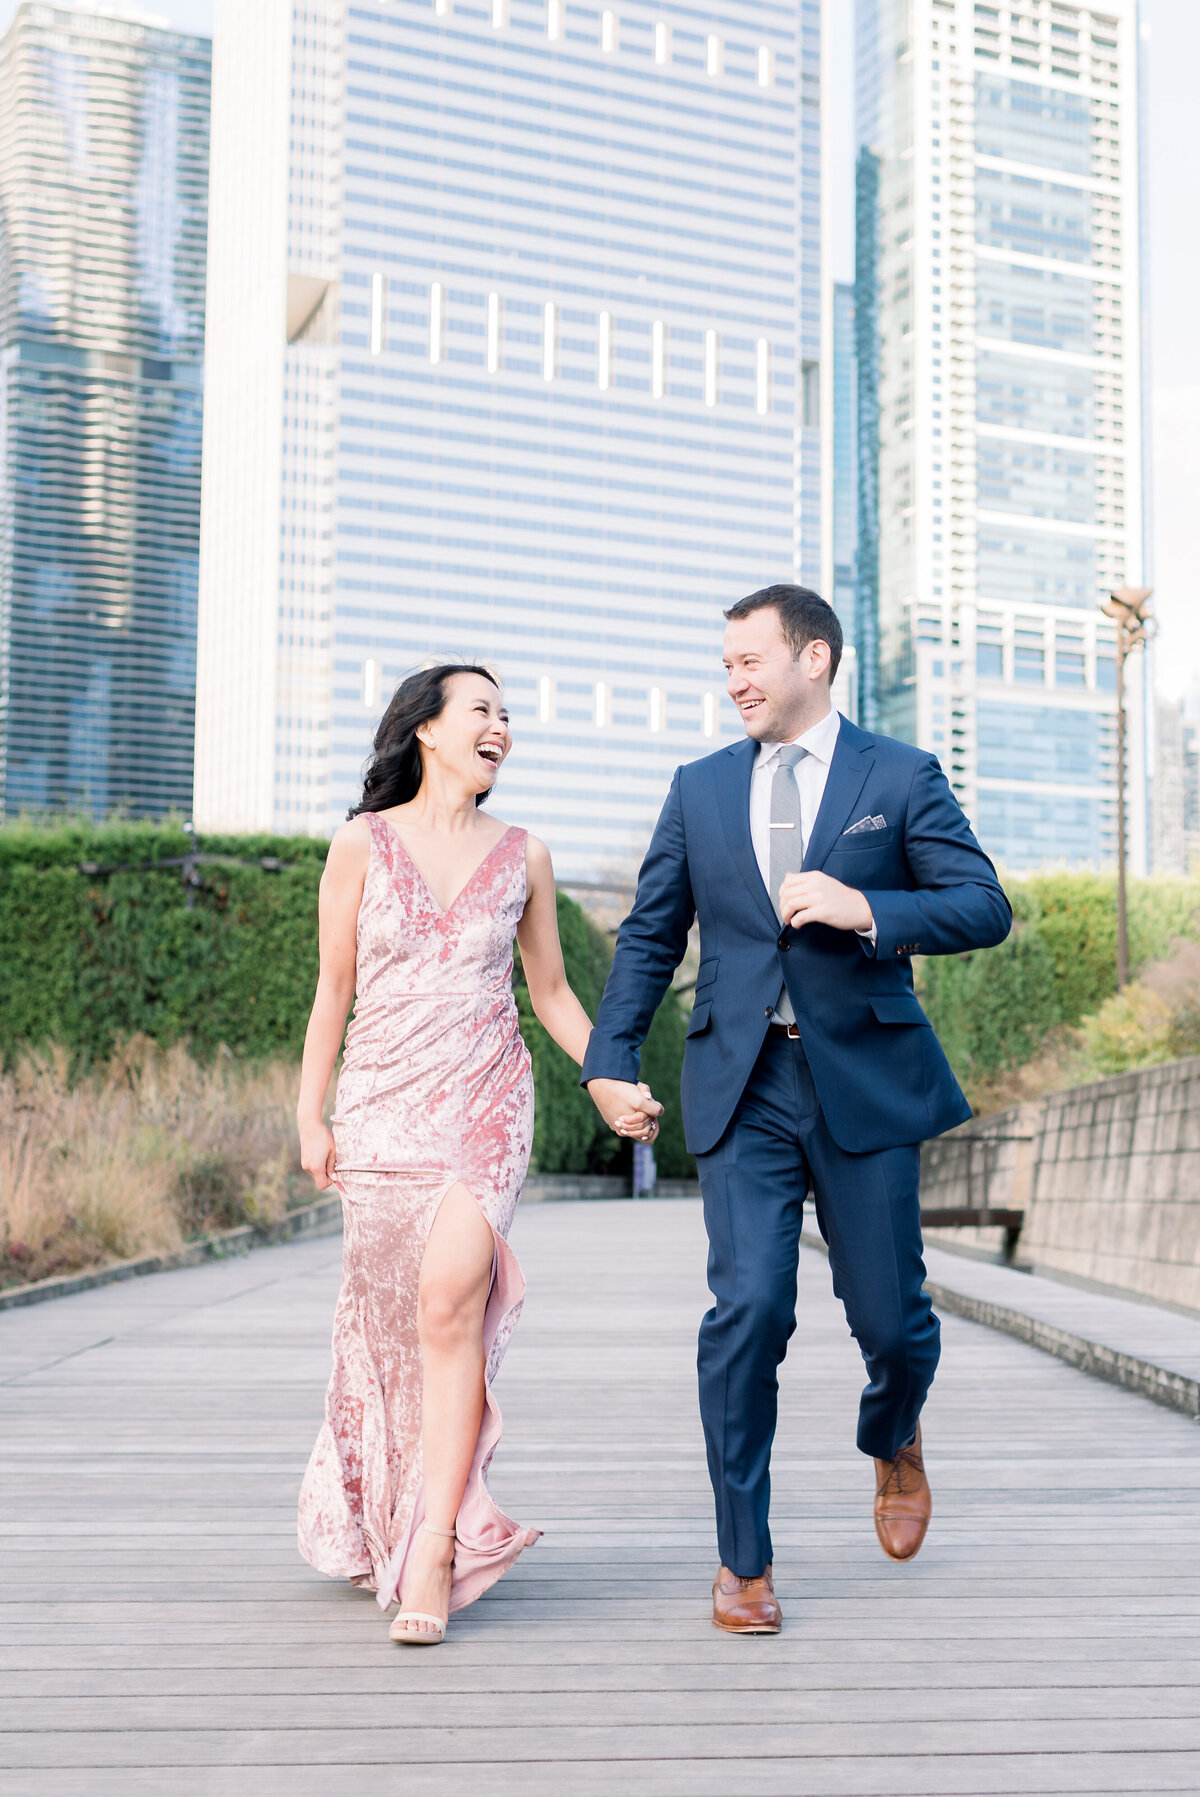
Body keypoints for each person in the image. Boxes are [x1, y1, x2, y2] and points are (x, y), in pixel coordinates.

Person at [583, 586, 1012, 1634]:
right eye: (724, 664)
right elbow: (648, 938)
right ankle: (743, 1564)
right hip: (744, 1084)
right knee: (750, 1312)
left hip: (864, 1081)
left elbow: (983, 904)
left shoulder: (900, 776)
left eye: (749, 660)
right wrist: (608, 1058)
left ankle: (894, 1429)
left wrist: (871, 908)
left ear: (813, 658)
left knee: (893, 1321)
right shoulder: (697, 789)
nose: (733, 679)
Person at [295, 663, 658, 1645]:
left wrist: (609, 1075)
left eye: (507, 715)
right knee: (388, 1332)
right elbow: (334, 989)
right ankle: (391, 1507)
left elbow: (551, 995)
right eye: (482, 711)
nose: (501, 727)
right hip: (379, 1107)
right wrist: (309, 1113)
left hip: (484, 1105)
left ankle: (438, 1547)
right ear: (427, 731)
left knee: (451, 1300)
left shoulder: (526, 856)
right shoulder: (359, 846)